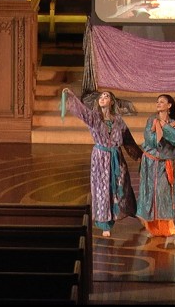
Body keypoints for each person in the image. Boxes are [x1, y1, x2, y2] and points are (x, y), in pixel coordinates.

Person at [61, 87, 140, 237]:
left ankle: (129, 210)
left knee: (122, 185)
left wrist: (139, 155)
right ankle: (105, 223)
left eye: (106, 96)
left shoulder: (118, 120)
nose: (103, 98)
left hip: (116, 156)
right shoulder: (94, 117)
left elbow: (128, 140)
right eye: (101, 97)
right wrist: (70, 96)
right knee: (103, 189)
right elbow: (82, 112)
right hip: (101, 157)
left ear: (111, 102)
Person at [136, 94, 175, 237]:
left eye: (162, 102)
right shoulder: (151, 120)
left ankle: (164, 226)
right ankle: (150, 225)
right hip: (150, 163)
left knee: (163, 192)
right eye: (157, 102)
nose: (158, 104)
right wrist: (160, 129)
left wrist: (165, 127)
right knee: (150, 192)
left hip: (165, 163)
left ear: (169, 105)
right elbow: (150, 140)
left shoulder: (174, 124)